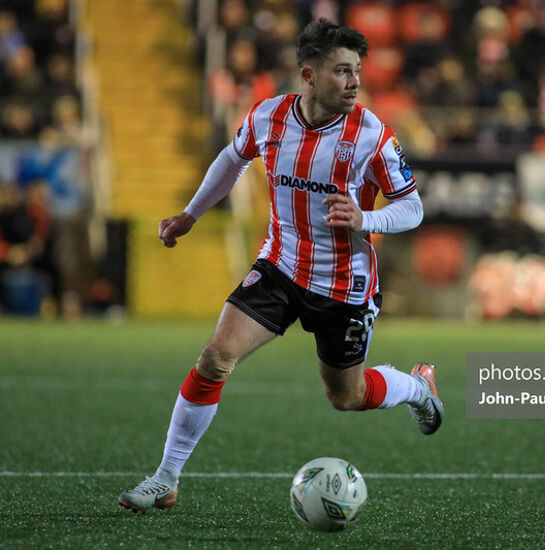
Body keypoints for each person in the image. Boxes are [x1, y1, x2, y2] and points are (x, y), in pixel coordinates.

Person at [118, 19, 444, 514]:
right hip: (281, 265)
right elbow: (232, 159)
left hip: (344, 284)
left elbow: (413, 206)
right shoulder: (269, 116)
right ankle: (166, 478)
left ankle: (417, 387)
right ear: (308, 75)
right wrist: (190, 214)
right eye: (341, 70)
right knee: (214, 358)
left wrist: (367, 216)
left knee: (346, 396)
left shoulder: (370, 135)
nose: (354, 81)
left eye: (357, 70)